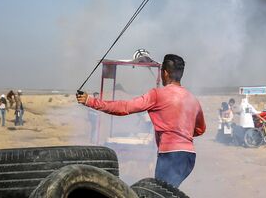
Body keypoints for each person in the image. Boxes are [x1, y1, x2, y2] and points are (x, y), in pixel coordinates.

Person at [77, 54, 205, 188]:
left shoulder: (157, 95)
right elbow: (200, 129)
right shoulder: (192, 99)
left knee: (159, 193)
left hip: (170, 154)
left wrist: (90, 101)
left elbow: (124, 108)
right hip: (189, 157)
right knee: (170, 191)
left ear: (165, 73)